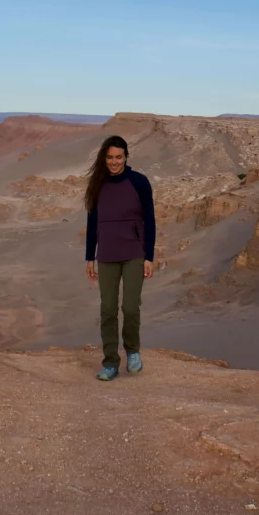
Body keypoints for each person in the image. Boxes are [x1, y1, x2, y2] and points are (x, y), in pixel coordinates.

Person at [84, 135, 155, 381]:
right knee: (108, 310)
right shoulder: (97, 185)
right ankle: (110, 363)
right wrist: (89, 257)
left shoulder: (139, 182)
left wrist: (149, 256)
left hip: (134, 254)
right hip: (106, 256)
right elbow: (92, 223)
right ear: (104, 158)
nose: (114, 162)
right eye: (110, 158)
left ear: (126, 157)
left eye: (119, 157)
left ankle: (133, 352)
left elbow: (150, 221)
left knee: (130, 307)